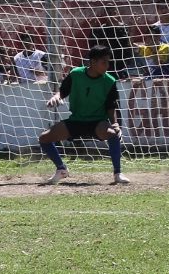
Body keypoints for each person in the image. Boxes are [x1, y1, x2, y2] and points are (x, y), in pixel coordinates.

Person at [38, 45, 130, 185]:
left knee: (113, 134)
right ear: (92, 62)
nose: (107, 65)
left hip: (97, 122)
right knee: (44, 138)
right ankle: (61, 169)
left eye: (108, 62)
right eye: (104, 62)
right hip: (76, 120)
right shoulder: (76, 74)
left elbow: (111, 106)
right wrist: (56, 96)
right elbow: (63, 91)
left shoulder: (110, 81)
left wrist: (115, 123)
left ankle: (118, 173)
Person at [87, 4, 134, 79]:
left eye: (114, 13)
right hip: (108, 64)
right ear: (105, 15)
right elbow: (93, 45)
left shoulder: (123, 28)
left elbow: (129, 44)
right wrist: (93, 28)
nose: (111, 16)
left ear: (117, 14)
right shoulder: (102, 29)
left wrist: (131, 27)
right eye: (109, 13)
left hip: (123, 63)